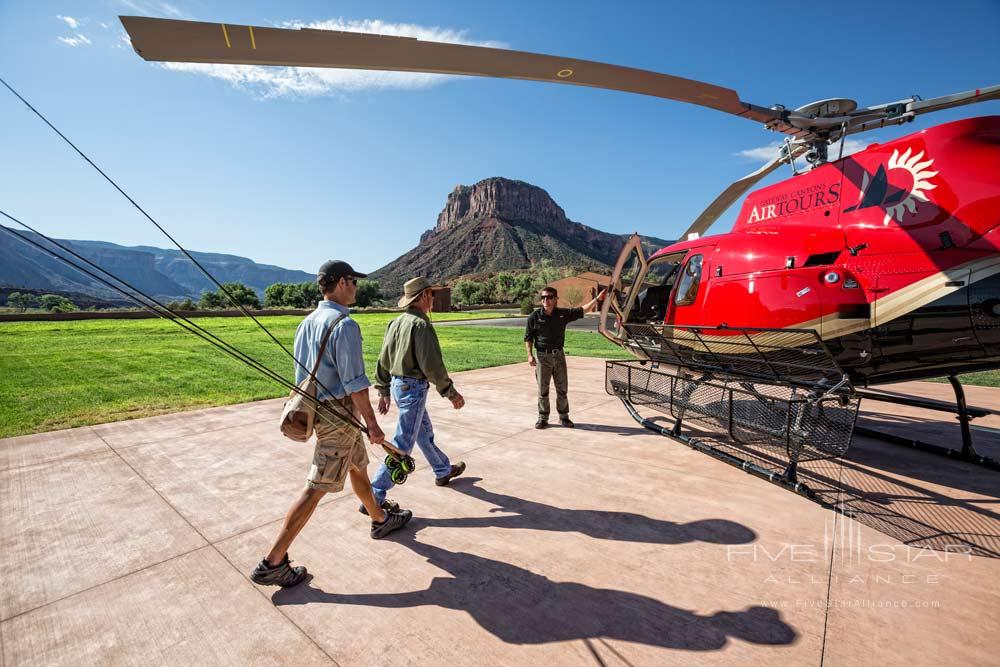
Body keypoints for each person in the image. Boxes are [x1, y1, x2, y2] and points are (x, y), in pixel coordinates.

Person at [250, 260, 412, 588]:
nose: (356, 287)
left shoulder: (307, 321)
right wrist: (373, 424)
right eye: (353, 281)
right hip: (339, 414)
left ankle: (380, 519)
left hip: (321, 410)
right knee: (317, 486)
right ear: (340, 283)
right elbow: (355, 383)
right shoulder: (345, 325)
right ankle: (273, 561)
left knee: (357, 468)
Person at [368, 276, 467, 512]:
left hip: (397, 385)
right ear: (423, 296)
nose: (432, 298)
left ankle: (442, 470)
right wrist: (450, 392)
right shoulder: (421, 325)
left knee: (423, 433)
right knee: (403, 444)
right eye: (431, 294)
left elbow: (383, 358)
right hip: (413, 389)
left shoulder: (395, 323)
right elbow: (431, 365)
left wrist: (383, 389)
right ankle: (374, 495)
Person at [524, 285, 606, 429]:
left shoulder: (562, 314)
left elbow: (583, 310)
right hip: (542, 357)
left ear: (556, 299)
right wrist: (530, 355)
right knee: (543, 389)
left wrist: (597, 299)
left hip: (559, 356)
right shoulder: (534, 317)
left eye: (549, 297)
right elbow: (528, 337)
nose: (546, 300)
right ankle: (543, 418)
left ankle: (564, 417)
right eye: (543, 297)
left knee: (562, 388)